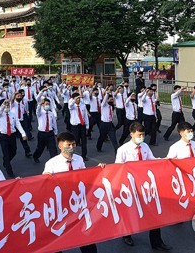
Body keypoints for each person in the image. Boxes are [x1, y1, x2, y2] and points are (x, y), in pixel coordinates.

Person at [115, 123, 172, 251]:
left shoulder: (145, 146)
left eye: (143, 134)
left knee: (154, 212)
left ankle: (157, 242)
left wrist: (164, 160)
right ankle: (127, 235)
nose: (142, 137)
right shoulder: (123, 150)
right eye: (139, 135)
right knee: (131, 212)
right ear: (132, 134)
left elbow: (151, 160)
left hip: (146, 185)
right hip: (131, 186)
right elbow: (117, 169)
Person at [43, 132, 102, 253]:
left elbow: (85, 177)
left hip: (78, 204)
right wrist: (45, 178)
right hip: (61, 206)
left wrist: (97, 170)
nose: (71, 147)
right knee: (58, 237)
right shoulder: (51, 164)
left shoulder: (79, 159)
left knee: (86, 236)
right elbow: (45, 186)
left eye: (73, 144)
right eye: (68, 144)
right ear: (60, 145)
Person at [0, 99, 27, 177]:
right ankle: (10, 171)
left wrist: (23, 134)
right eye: (6, 105)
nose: (7, 106)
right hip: (4, 136)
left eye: (8, 105)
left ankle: (6, 161)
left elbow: (18, 124)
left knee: (14, 151)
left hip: (12, 135)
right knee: (6, 153)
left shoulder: (13, 114)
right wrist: (3, 104)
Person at [33, 98, 58, 163]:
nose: (47, 106)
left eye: (48, 104)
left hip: (50, 133)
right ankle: (35, 156)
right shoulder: (40, 113)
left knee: (53, 149)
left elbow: (54, 123)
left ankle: (54, 162)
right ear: (43, 105)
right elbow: (37, 111)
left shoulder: (51, 114)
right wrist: (39, 104)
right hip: (42, 133)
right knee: (40, 148)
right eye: (46, 104)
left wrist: (55, 132)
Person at [96, 88, 119, 153]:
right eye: (110, 99)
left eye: (112, 99)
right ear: (107, 100)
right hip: (104, 124)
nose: (112, 101)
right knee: (102, 137)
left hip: (110, 124)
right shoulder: (103, 105)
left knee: (114, 140)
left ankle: (117, 153)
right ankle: (98, 147)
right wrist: (107, 94)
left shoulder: (111, 107)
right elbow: (104, 101)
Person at [10, 92, 32, 158]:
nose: (19, 97)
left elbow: (23, 113)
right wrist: (14, 94)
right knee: (12, 138)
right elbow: (11, 100)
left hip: (20, 122)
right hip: (13, 122)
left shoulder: (22, 105)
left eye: (20, 96)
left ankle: (27, 151)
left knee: (23, 136)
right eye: (18, 96)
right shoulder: (13, 104)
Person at [68, 93, 89, 161]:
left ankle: (84, 155)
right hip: (75, 126)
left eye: (79, 98)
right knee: (75, 141)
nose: (78, 100)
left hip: (82, 125)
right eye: (77, 99)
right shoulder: (72, 106)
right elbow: (70, 105)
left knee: (84, 141)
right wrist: (74, 99)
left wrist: (87, 126)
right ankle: (72, 155)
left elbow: (85, 116)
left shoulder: (83, 106)